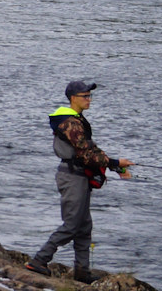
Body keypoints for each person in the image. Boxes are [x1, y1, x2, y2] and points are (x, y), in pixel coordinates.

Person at [26, 81, 133, 283]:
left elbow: (91, 150)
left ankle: (82, 273)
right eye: (85, 96)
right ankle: (39, 260)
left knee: (84, 226)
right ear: (73, 98)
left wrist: (116, 167)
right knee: (72, 224)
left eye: (89, 96)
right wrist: (115, 162)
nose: (89, 99)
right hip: (72, 177)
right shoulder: (70, 123)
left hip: (79, 176)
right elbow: (86, 154)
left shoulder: (76, 120)